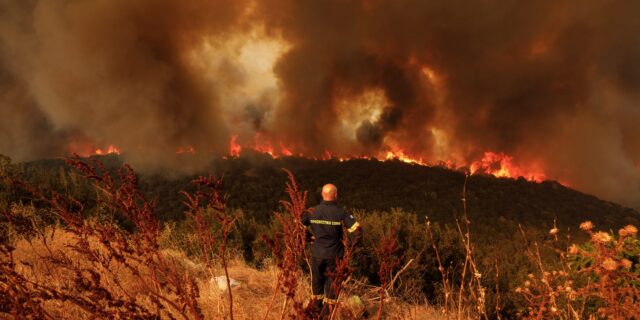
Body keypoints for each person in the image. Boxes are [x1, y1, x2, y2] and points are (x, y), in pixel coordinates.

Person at [301, 183, 362, 317]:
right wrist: (349, 248)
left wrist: (308, 237)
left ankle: (313, 314)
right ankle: (327, 315)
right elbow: (357, 232)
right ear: (335, 195)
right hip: (335, 257)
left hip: (317, 255)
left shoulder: (312, 211)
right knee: (332, 290)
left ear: (323, 195)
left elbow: (297, 226)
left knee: (316, 287)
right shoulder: (342, 212)